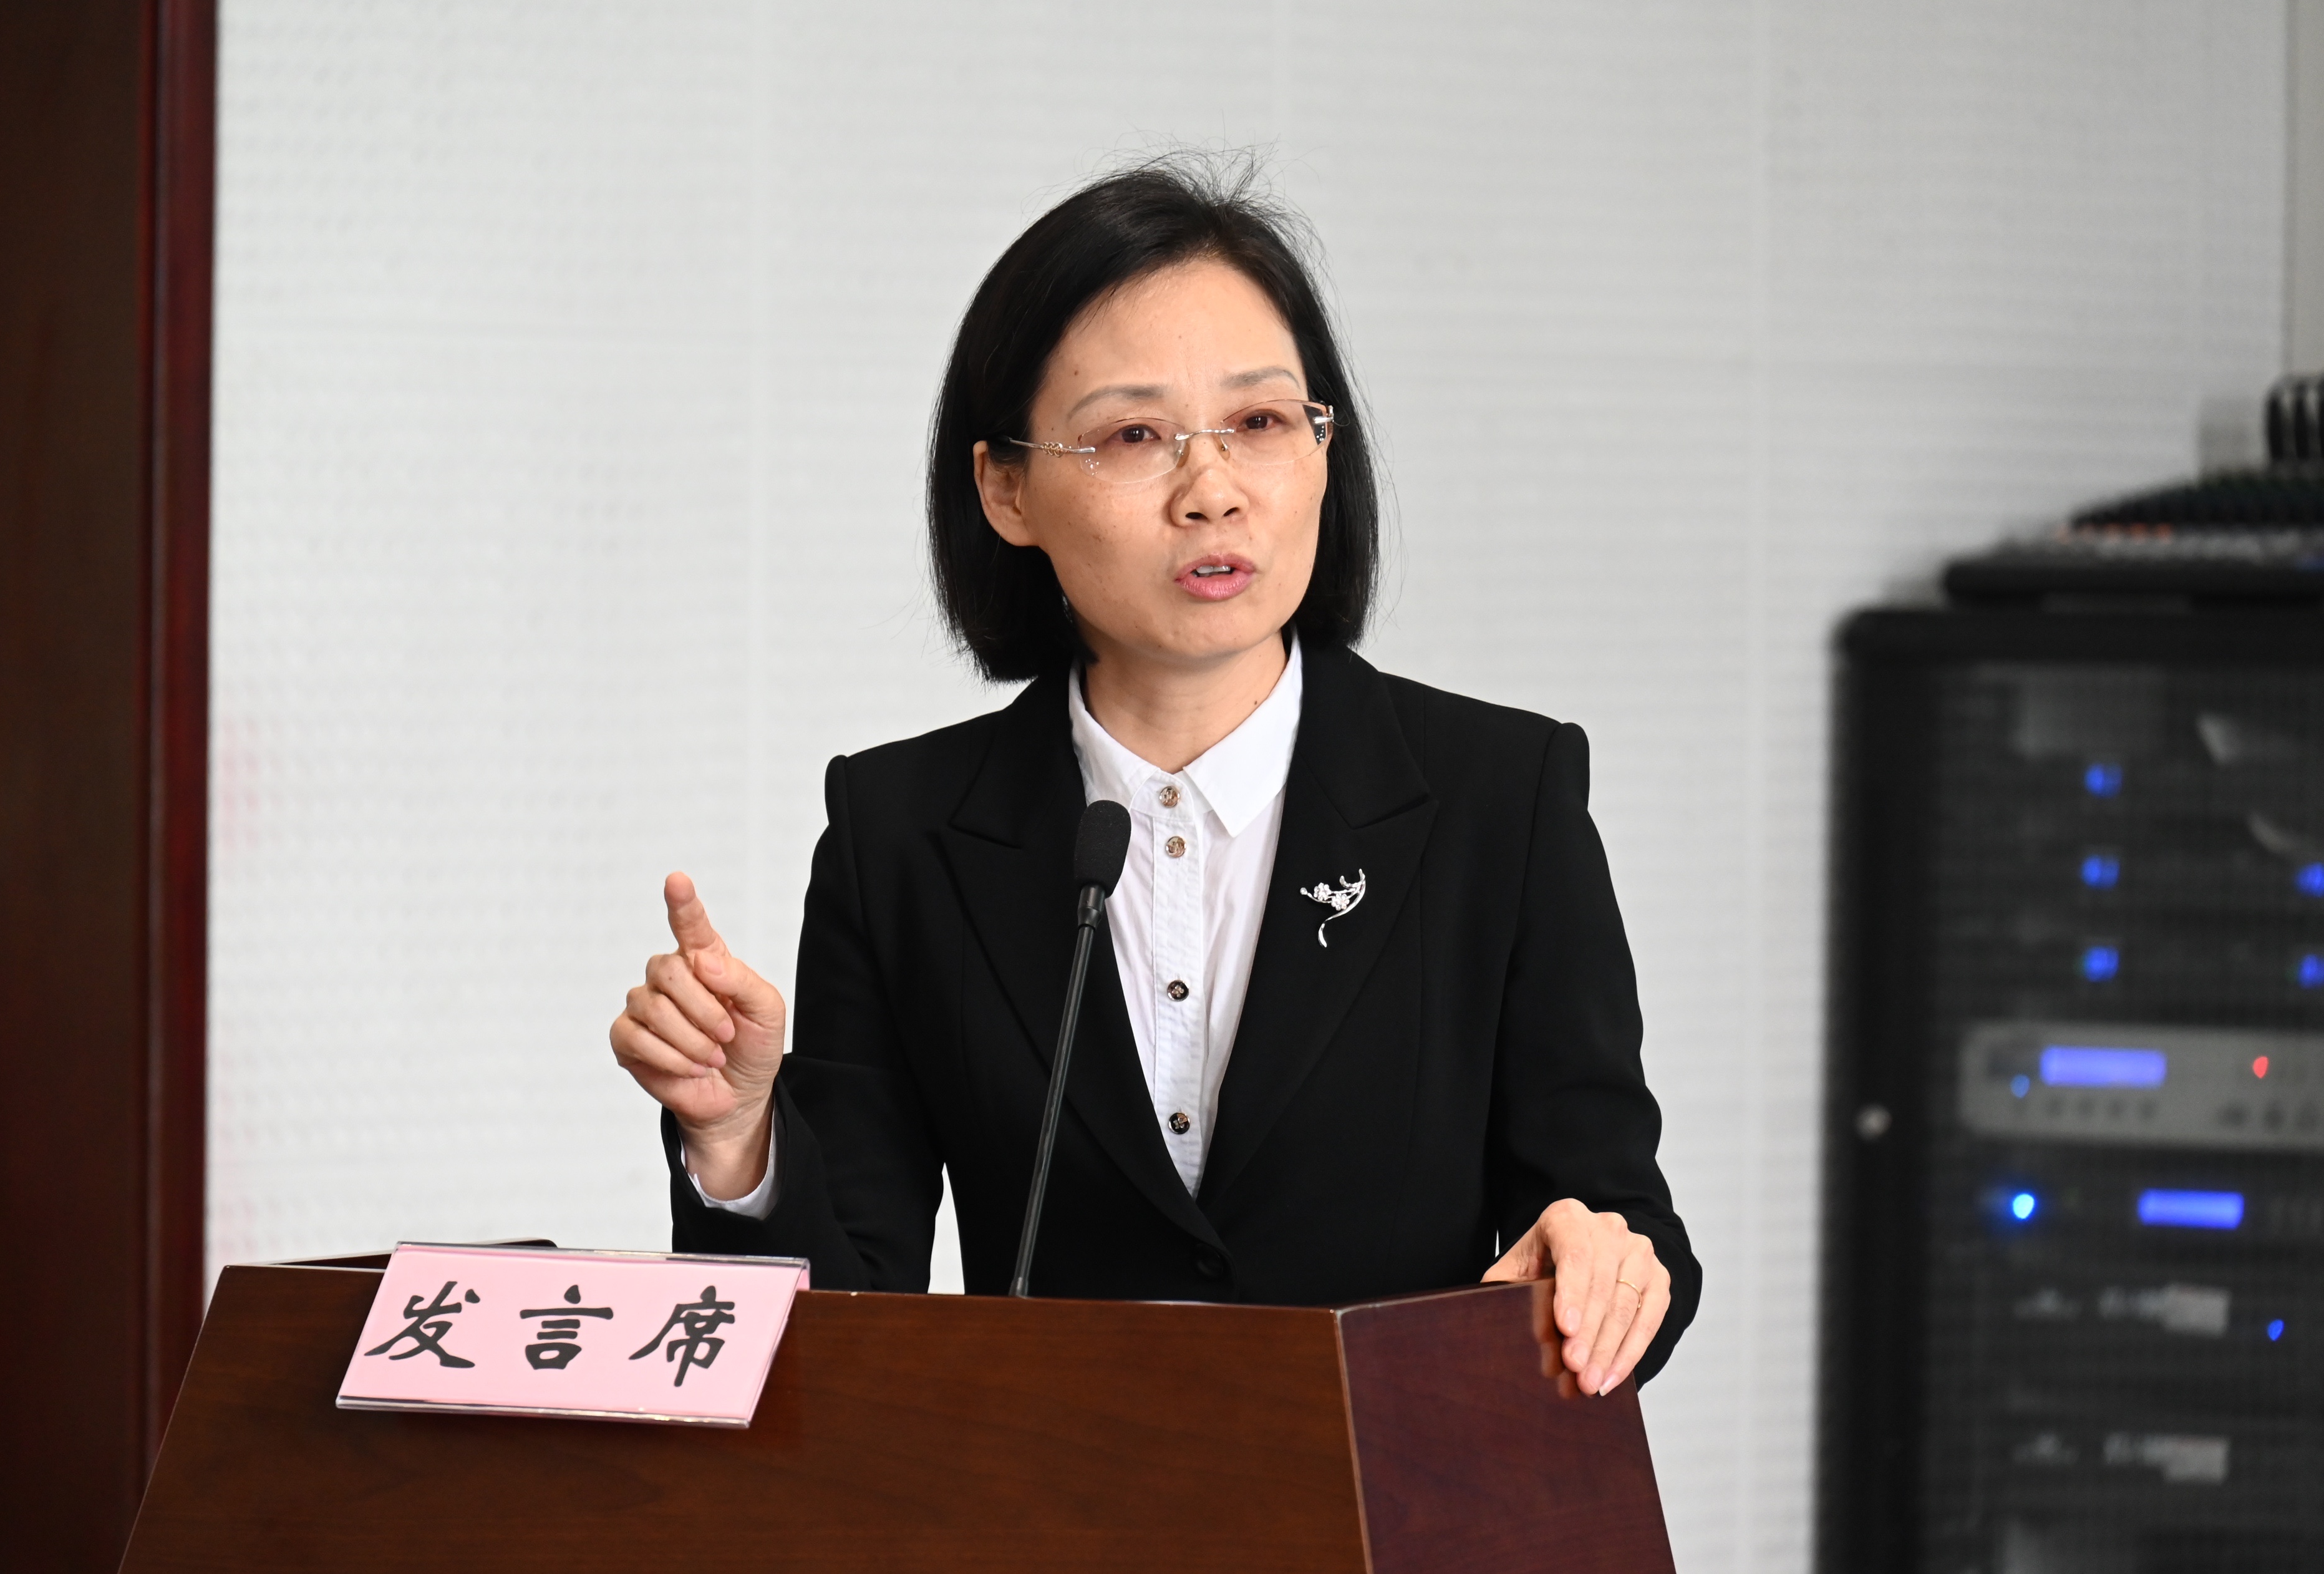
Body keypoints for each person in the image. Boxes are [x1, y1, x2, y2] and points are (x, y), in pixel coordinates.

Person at [611, 160, 1699, 1394]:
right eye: (1134, 435)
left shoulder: (1499, 797)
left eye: (1262, 422)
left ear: (1324, 450)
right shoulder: (901, 833)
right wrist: (738, 1140)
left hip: (1390, 1490)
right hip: (1050, 1487)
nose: (1212, 491)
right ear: (1006, 488)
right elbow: (848, 1335)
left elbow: (1620, 1227)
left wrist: (1609, 1266)